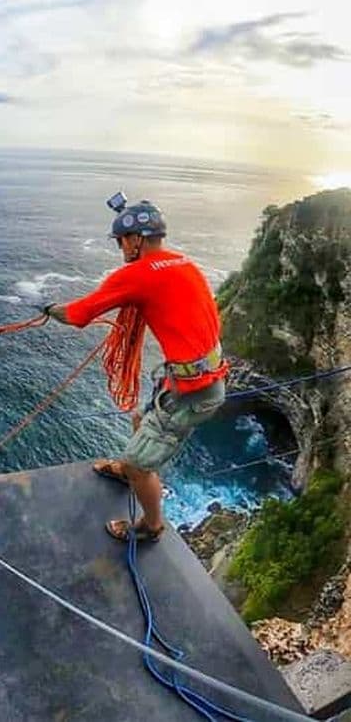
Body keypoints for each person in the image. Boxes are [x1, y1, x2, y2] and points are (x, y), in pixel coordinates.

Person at [43, 196, 228, 542]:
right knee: (140, 420)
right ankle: (126, 469)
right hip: (190, 377)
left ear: (136, 240)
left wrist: (50, 309)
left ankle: (151, 525)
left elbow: (78, 315)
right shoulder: (183, 262)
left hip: (194, 392)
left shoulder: (137, 274)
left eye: (121, 241)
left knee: (140, 465)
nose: (120, 248)